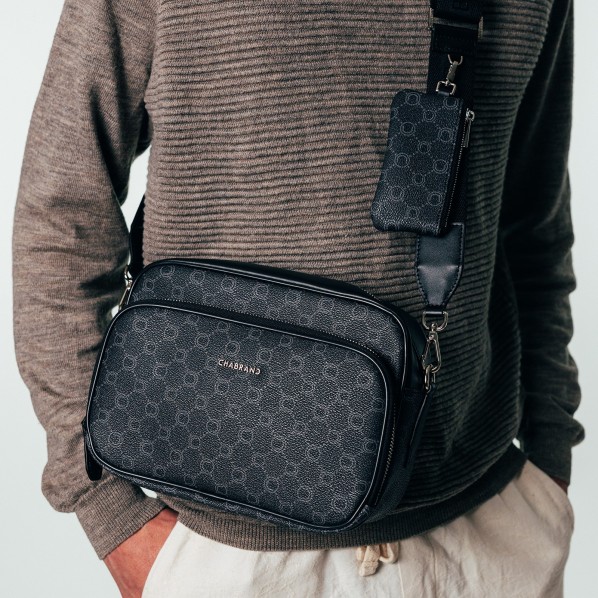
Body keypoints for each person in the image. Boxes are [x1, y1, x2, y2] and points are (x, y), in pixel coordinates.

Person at [12, 0, 583, 596]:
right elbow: (62, 219)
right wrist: (109, 512)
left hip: (485, 536)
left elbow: (532, 227)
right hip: (229, 555)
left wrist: (550, 461)